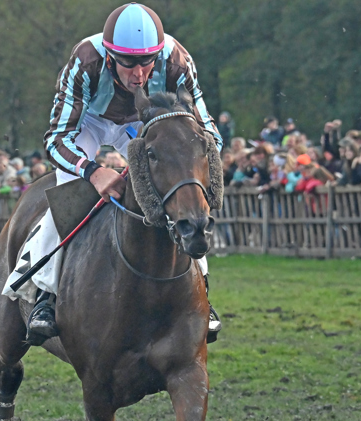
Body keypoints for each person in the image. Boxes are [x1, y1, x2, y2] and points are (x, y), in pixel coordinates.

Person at [14, 2, 223, 345]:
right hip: (90, 124)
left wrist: (190, 162)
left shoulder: (177, 62)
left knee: (185, 202)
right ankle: (45, 296)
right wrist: (93, 171)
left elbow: (209, 133)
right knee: (69, 192)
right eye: (128, 64)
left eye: (146, 62)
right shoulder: (85, 62)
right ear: (110, 57)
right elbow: (56, 139)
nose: (139, 74)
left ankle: (202, 295)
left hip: (146, 125)